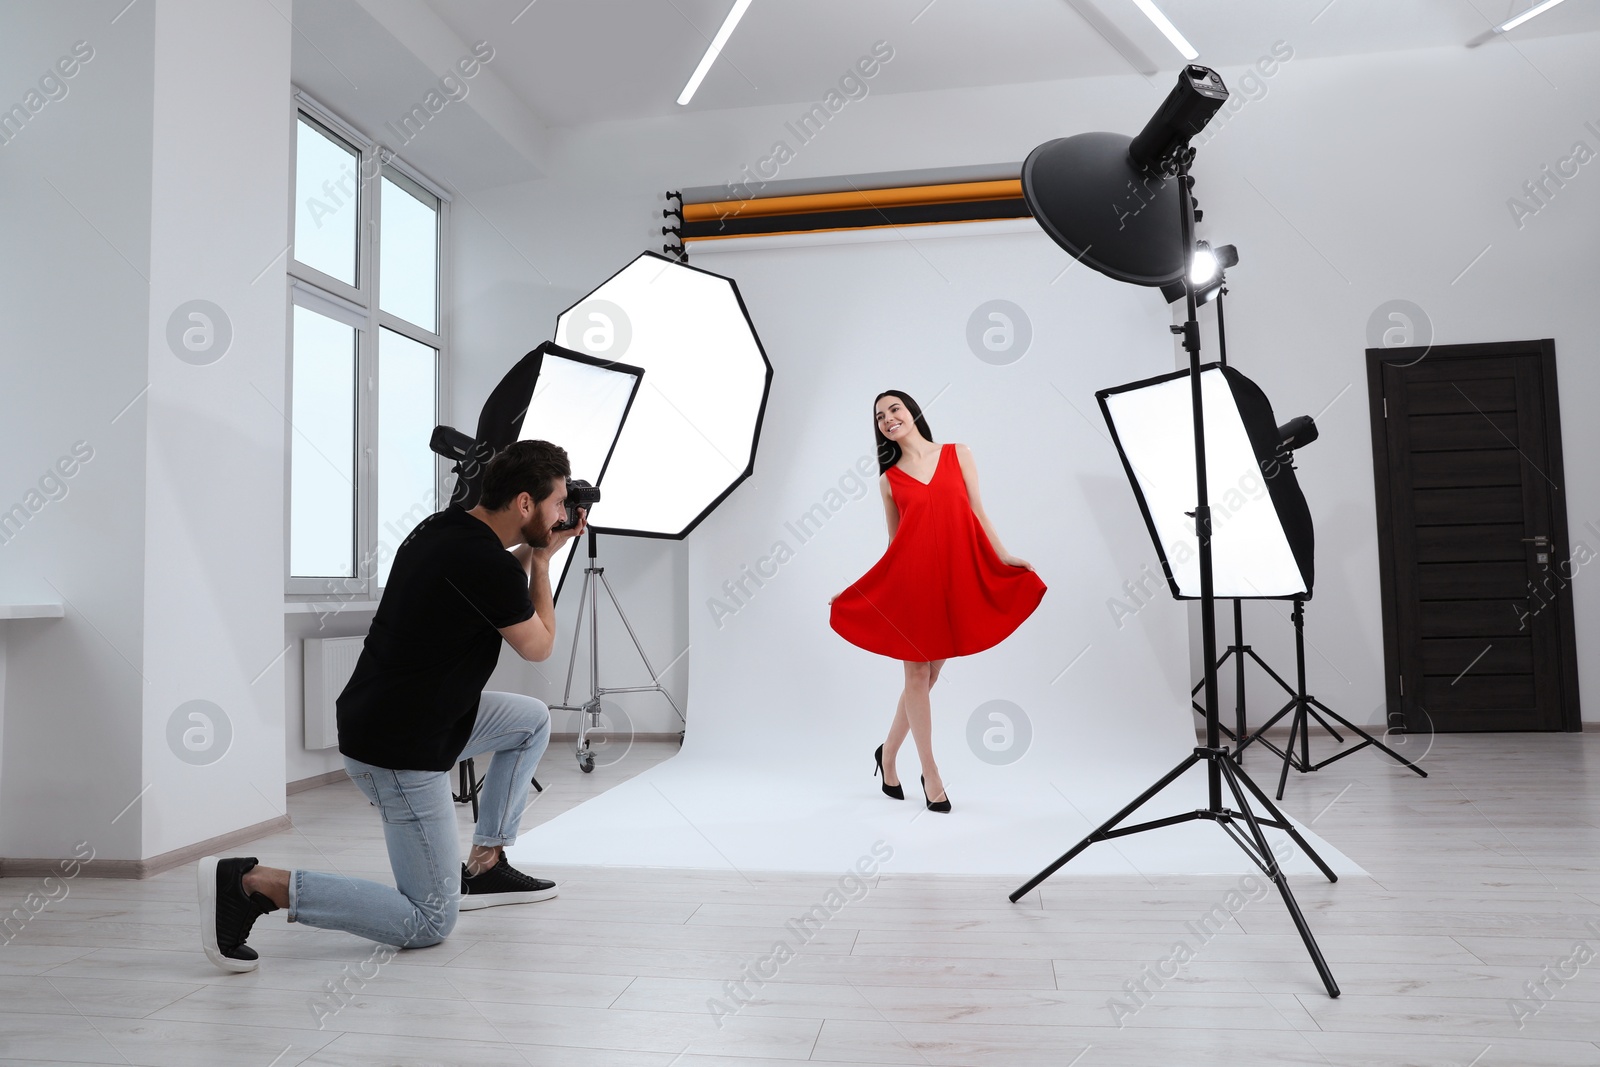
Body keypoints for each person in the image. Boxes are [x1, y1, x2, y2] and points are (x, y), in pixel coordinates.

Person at [197, 440, 585, 972]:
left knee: (529, 721)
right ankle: (254, 885)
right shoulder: (483, 562)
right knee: (429, 920)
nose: (564, 512)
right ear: (524, 504)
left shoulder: (445, 529)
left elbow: (491, 580)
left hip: (409, 717)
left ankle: (487, 861)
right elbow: (539, 644)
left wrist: (540, 548)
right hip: (401, 751)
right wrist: (542, 561)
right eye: (558, 502)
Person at [829, 391, 1046, 813]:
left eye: (894, 409)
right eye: (879, 416)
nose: (888, 418)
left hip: (955, 578)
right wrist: (859, 590)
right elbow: (895, 546)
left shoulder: (957, 453)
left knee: (926, 679)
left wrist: (1003, 556)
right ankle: (932, 774)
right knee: (916, 676)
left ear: (911, 412)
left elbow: (978, 512)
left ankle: (887, 754)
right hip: (913, 584)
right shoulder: (888, 481)